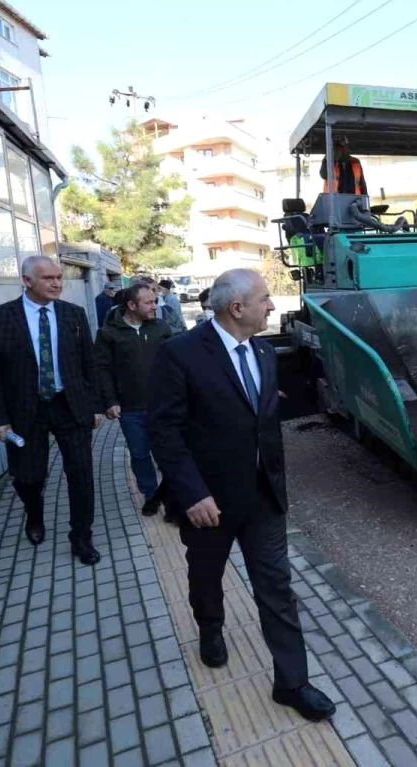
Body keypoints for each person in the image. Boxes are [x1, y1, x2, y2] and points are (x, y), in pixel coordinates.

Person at [148, 268, 335, 722]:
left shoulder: (265, 352)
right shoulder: (180, 353)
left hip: (263, 497)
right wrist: (192, 493)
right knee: (206, 578)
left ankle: (292, 683)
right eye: (266, 299)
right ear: (237, 309)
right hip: (209, 503)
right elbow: (165, 431)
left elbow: (261, 414)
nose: (272, 306)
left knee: (278, 589)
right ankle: (210, 630)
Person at [0, 256, 103, 565]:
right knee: (27, 476)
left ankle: (81, 537)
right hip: (25, 411)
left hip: (70, 407)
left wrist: (96, 405)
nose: (57, 283)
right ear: (27, 281)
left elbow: (90, 363)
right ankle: (34, 513)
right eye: (48, 278)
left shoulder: (74, 314)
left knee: (81, 474)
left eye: (59, 277)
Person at [94, 283, 172, 515]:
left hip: (164, 406)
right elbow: (102, 369)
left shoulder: (161, 328)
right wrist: (110, 401)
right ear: (131, 305)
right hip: (130, 410)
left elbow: (177, 363)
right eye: (149, 302)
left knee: (168, 454)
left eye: (155, 301)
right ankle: (150, 495)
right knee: (139, 455)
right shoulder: (108, 334)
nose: (155, 307)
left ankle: (170, 498)